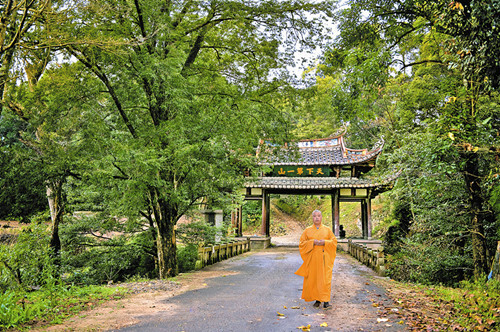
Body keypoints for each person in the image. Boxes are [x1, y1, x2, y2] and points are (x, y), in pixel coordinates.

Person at [295, 209, 337, 309]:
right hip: (313, 259)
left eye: (319, 216)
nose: (317, 218)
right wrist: (312, 242)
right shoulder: (307, 230)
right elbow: (301, 243)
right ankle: (317, 299)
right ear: (312, 218)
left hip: (324, 258)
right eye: (315, 216)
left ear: (321, 217)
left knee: (325, 279)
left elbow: (334, 242)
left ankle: (326, 301)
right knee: (314, 279)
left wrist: (325, 243)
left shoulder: (327, 230)